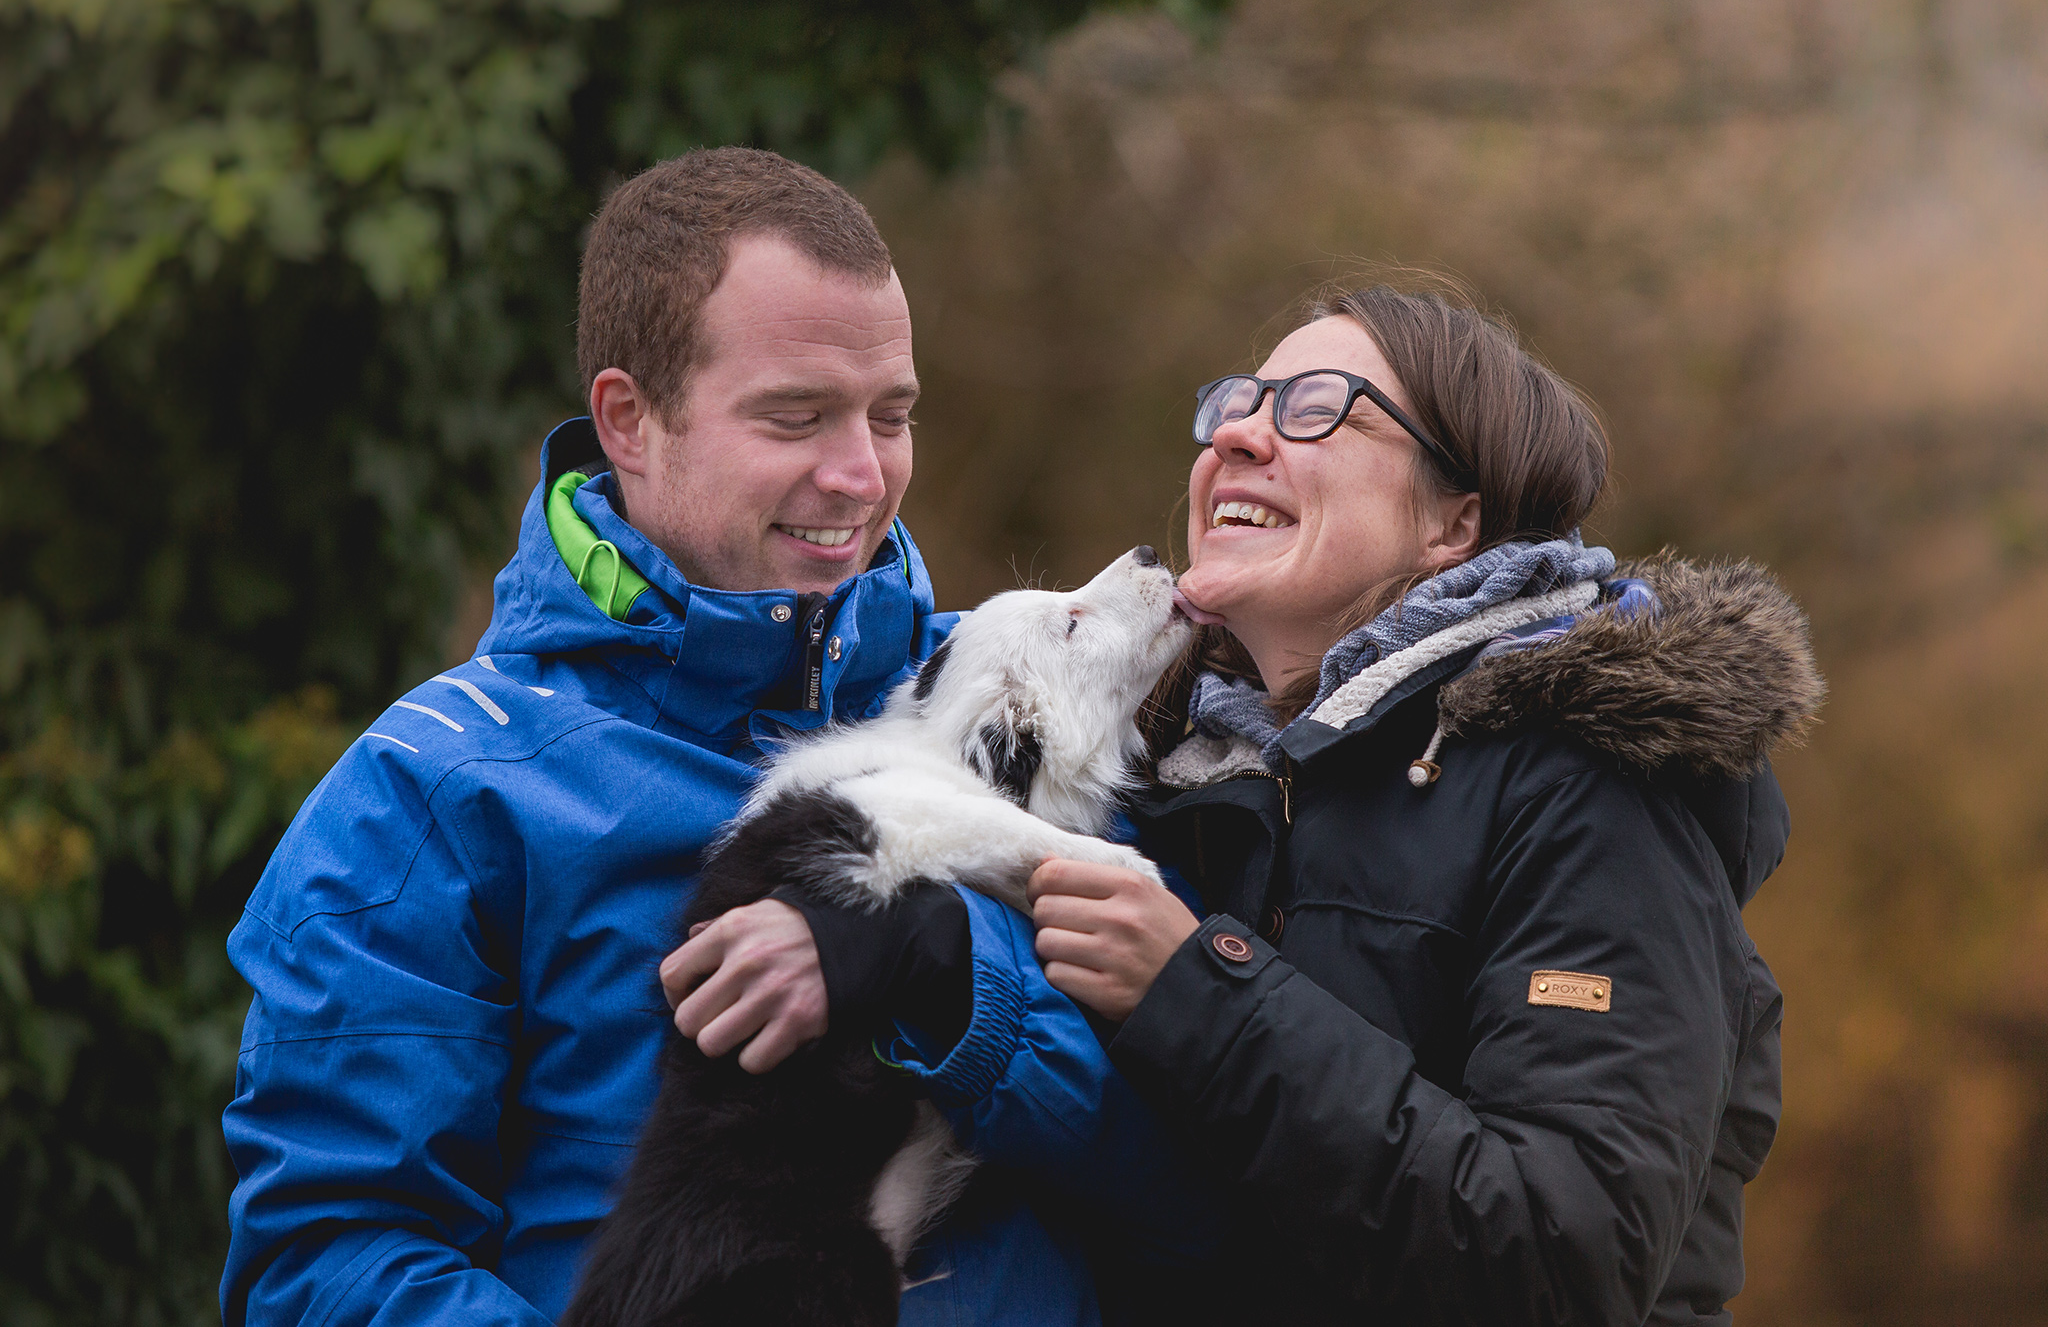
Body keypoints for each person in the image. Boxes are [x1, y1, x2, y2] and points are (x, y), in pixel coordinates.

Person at [220, 147, 1204, 1327]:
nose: (856, 475)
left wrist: (940, 968)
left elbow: (1200, 1186)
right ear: (631, 420)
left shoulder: (1035, 716)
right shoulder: (433, 789)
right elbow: (325, 1261)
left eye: (891, 416)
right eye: (794, 417)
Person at [1014, 283, 1826, 1324]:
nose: (1239, 437)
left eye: (1314, 406)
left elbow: (1559, 1255)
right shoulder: (1153, 773)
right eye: (1236, 403)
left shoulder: (1588, 785)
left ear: (1454, 523)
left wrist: (1198, 996)